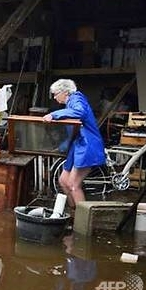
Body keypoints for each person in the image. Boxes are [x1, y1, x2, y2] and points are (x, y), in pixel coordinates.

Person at [42, 79, 105, 209]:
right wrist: (60, 148)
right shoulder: (70, 105)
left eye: (55, 94)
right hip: (78, 145)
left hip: (87, 145)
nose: (54, 97)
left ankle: (83, 221)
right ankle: (74, 213)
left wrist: (53, 115)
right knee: (63, 181)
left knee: (73, 184)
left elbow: (80, 112)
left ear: (65, 92)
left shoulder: (76, 99)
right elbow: (74, 132)